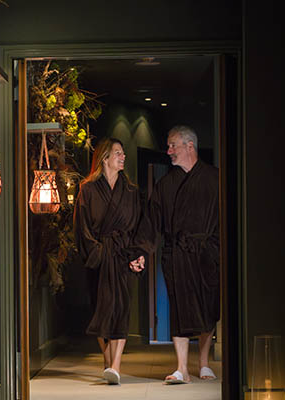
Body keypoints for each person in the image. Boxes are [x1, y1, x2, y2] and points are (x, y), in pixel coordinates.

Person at [132, 125, 220, 384]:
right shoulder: (165, 184)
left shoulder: (215, 178)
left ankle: (203, 364)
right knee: (178, 309)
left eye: (173, 146)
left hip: (207, 255)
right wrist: (141, 251)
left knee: (208, 308)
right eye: (168, 146)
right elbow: (151, 221)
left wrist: (219, 250)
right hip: (177, 255)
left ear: (189, 146)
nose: (168, 151)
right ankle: (182, 367)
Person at [73, 138, 145, 385]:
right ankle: (107, 358)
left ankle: (115, 365)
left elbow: (138, 228)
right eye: (118, 153)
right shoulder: (88, 190)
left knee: (121, 308)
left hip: (123, 255)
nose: (123, 157)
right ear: (104, 158)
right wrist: (98, 253)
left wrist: (137, 254)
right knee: (100, 310)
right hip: (100, 257)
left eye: (123, 153)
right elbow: (81, 227)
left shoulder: (132, 192)